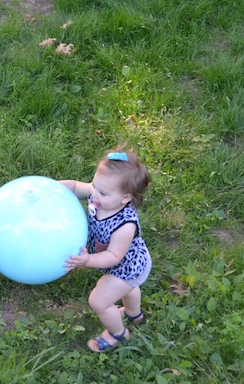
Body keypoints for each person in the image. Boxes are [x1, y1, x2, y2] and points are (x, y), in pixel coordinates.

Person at [61, 147, 151, 352]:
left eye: (102, 192)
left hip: (127, 268)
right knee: (130, 289)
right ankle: (133, 314)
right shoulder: (99, 195)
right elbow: (75, 187)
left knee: (99, 301)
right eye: (94, 186)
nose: (94, 194)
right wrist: (52, 188)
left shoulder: (125, 225)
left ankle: (117, 334)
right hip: (129, 266)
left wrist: (87, 260)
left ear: (125, 198)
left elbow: (113, 256)